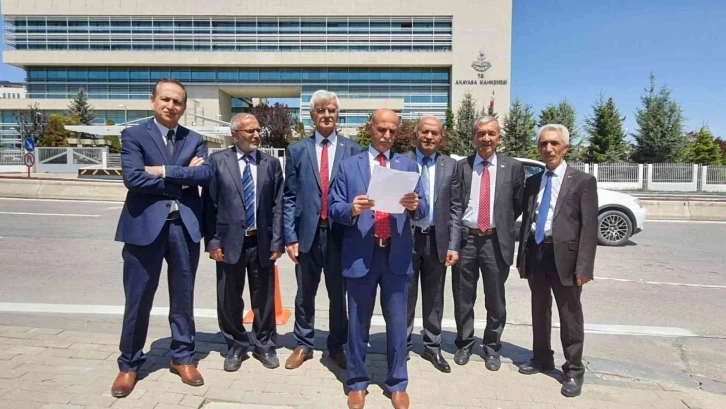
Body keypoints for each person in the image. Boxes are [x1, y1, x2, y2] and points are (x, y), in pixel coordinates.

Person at [112, 79, 211, 398]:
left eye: (177, 101)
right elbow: (133, 178)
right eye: (165, 99)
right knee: (138, 298)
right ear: (153, 101)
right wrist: (181, 177)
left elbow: (204, 175)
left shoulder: (194, 139)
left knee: (183, 298)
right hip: (144, 229)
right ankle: (129, 364)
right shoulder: (133, 135)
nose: (171, 106)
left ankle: (182, 357)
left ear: (184, 106)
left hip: (184, 227)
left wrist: (161, 171)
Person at [330, 109, 428, 409]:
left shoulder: (407, 165)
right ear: (370, 129)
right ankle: (357, 382)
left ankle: (397, 382)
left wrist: (415, 205)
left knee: (397, 325)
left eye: (392, 131)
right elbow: (333, 207)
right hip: (361, 254)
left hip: (396, 256)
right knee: (358, 323)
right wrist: (352, 209)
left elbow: (424, 210)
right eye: (382, 129)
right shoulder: (349, 166)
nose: (387, 135)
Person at [283, 90, 364, 370]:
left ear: (338, 114)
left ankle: (337, 346)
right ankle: (303, 344)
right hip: (307, 234)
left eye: (331, 110)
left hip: (341, 235)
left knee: (338, 294)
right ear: (312, 115)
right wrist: (289, 236)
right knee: (305, 293)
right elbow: (289, 196)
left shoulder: (354, 151)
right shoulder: (296, 150)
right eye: (321, 110)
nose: (326, 115)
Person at [516, 124, 598, 398]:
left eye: (554, 143)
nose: (548, 148)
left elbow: (589, 228)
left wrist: (584, 267)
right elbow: (527, 220)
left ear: (565, 147)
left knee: (569, 314)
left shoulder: (582, 181)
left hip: (566, 258)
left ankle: (574, 369)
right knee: (539, 309)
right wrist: (522, 257)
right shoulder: (533, 182)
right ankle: (541, 357)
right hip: (537, 252)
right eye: (543, 144)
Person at [202, 113, 285, 371]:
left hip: (262, 242)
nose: (257, 135)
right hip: (228, 243)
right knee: (229, 298)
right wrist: (213, 242)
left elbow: (278, 206)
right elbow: (209, 206)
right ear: (235, 135)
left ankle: (264, 344)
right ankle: (236, 344)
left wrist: (277, 242)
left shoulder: (271, 164)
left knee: (264, 299)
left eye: (258, 130)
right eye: (250, 131)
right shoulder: (217, 162)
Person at [452, 116, 524, 370]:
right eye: (481, 133)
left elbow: (516, 204)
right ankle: (464, 344)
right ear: (474, 137)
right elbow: (455, 203)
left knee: (495, 299)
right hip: (466, 240)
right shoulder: (461, 166)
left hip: (495, 241)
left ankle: (492, 347)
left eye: (491, 133)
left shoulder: (513, 167)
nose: (486, 138)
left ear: (498, 137)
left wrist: (498, 224)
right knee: (463, 297)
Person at [404, 117, 462, 373]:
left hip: (437, 240)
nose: (429, 136)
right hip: (407, 239)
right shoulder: (401, 161)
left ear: (441, 137)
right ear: (416, 134)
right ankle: (402, 344)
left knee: (435, 297)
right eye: (424, 131)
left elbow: (456, 208)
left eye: (434, 133)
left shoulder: (451, 166)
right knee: (405, 295)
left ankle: (432, 345)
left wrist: (454, 245)